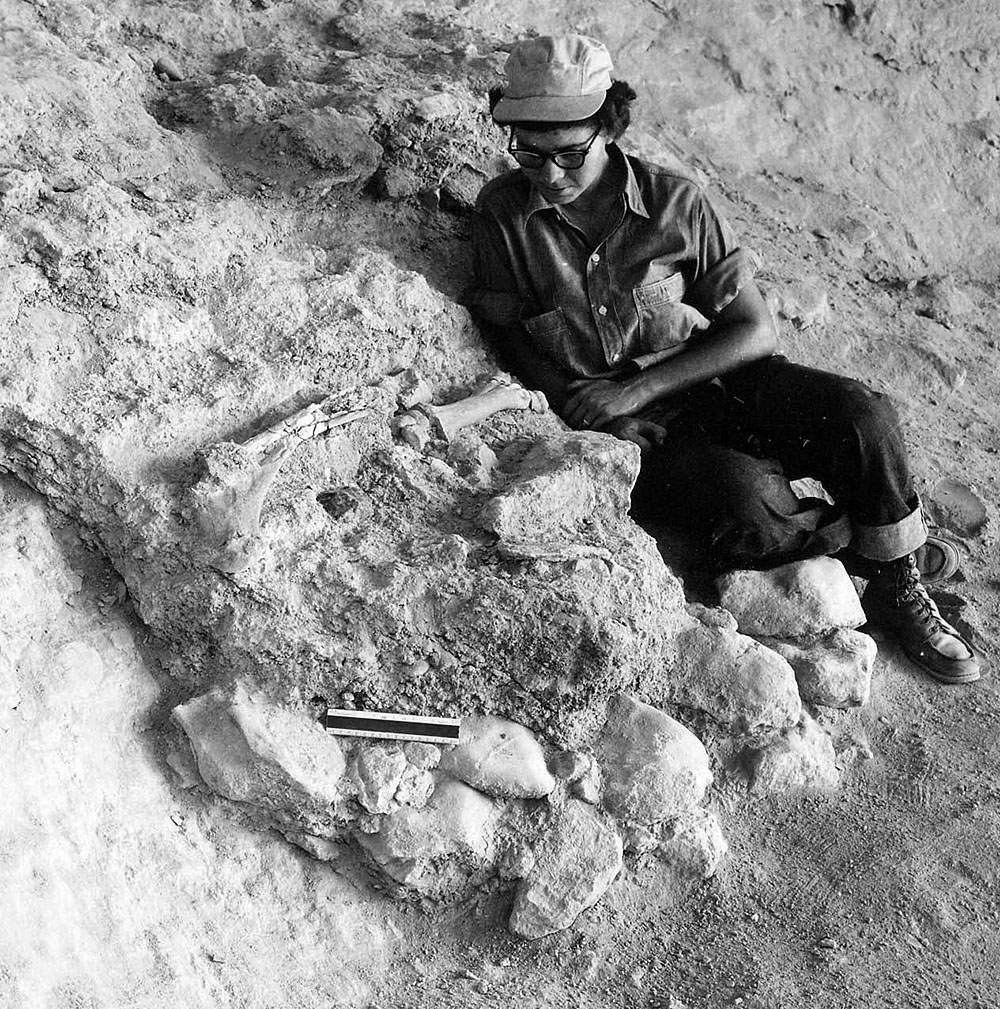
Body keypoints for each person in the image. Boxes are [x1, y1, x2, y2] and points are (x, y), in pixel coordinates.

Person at [468, 33, 982, 685]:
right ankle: (873, 545)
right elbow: (512, 334)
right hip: (641, 434)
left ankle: (897, 582)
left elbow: (754, 330)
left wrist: (639, 386)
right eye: (531, 156)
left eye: (572, 155)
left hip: (715, 378)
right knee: (749, 508)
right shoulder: (502, 216)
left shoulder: (674, 202)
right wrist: (601, 421)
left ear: (612, 126)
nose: (552, 176)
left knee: (865, 413)